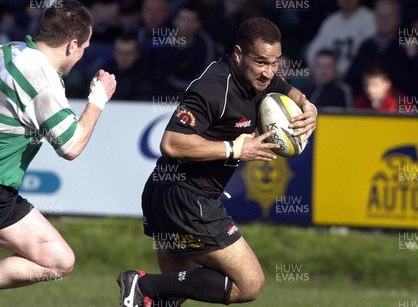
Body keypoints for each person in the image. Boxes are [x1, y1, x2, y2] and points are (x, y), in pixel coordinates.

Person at [117, 17, 317, 306]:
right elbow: (171, 142)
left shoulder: (258, 76)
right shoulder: (213, 88)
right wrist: (235, 149)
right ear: (238, 54)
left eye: (275, 62)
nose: (268, 72)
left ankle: (148, 291)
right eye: (262, 62)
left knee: (171, 297)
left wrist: (309, 107)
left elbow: (286, 88)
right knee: (249, 284)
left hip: (170, 194)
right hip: (187, 198)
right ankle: (142, 284)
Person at [0, 0, 116, 289]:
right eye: (84, 48)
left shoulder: (10, 50)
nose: (81, 55)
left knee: (56, 256)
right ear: (71, 44)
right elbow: (71, 146)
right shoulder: (42, 81)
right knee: (57, 260)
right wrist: (98, 99)